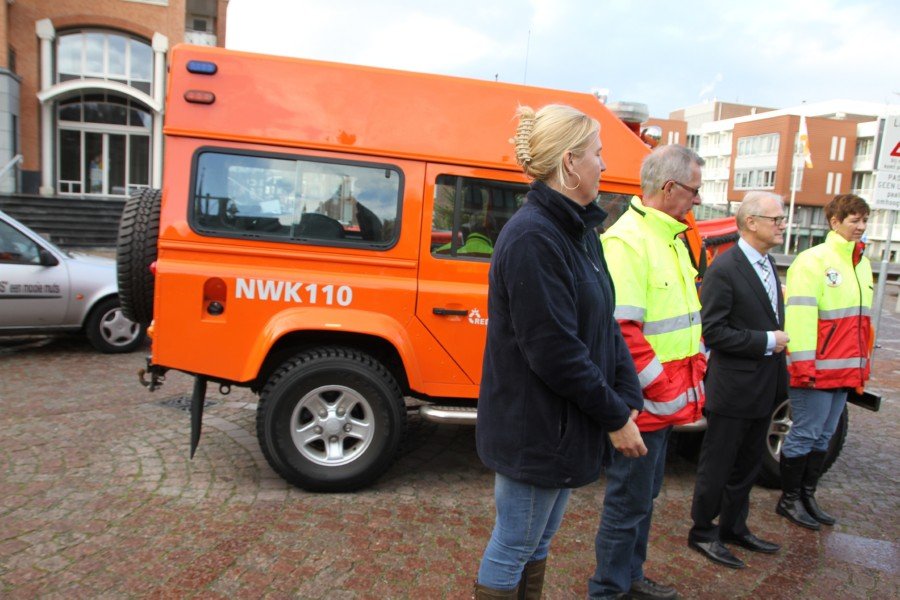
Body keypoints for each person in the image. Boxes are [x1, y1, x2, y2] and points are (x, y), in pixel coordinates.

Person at [475, 104, 646, 599]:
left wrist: (626, 387)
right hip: (537, 427)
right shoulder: (533, 236)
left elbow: (602, 322)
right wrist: (615, 417)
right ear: (570, 163)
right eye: (598, 153)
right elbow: (554, 351)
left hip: (563, 424)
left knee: (537, 541)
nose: (604, 164)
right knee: (514, 543)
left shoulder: (580, 231)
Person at [591, 144, 707, 600]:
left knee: (642, 500)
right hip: (646, 405)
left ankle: (630, 579)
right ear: (670, 187)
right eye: (694, 191)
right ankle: (609, 589)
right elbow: (622, 334)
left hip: (662, 404)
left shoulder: (669, 236)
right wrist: (664, 389)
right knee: (627, 503)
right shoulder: (629, 241)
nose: (698, 201)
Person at [687, 191, 788, 569]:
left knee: (747, 464)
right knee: (718, 463)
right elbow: (713, 331)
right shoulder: (725, 269)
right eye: (775, 218)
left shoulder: (768, 262)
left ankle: (734, 527)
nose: (782, 224)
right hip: (732, 388)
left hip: (764, 386)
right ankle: (702, 531)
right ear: (751, 223)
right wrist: (766, 341)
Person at [778, 194, 873, 529]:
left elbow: (860, 323)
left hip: (844, 371)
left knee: (824, 436)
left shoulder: (860, 262)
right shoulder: (813, 261)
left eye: (864, 220)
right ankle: (789, 501)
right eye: (854, 220)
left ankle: (807, 496)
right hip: (817, 369)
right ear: (835, 222)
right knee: (806, 434)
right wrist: (803, 367)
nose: (860, 227)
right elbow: (800, 317)